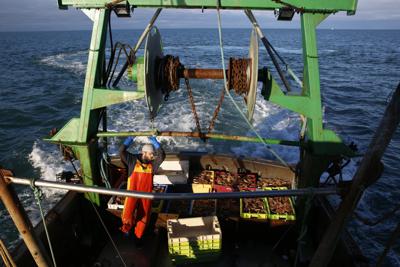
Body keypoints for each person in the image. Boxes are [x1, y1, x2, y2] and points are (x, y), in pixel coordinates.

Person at [119, 136, 165, 241]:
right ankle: (126, 230)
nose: (153, 156)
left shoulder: (152, 165)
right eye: (151, 154)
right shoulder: (132, 160)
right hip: (132, 194)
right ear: (144, 152)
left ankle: (138, 237)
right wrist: (129, 139)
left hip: (146, 196)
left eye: (153, 154)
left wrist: (155, 142)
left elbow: (162, 156)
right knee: (127, 214)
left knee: (144, 217)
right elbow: (121, 151)